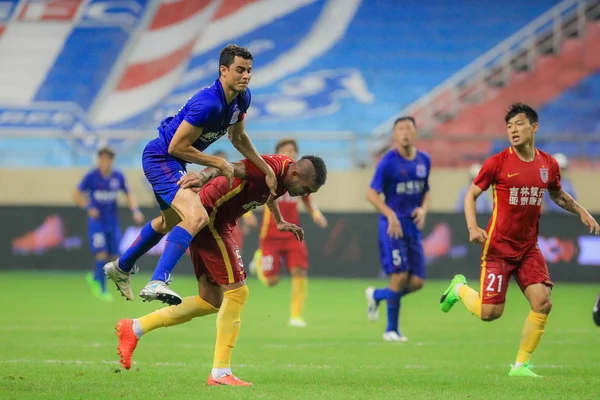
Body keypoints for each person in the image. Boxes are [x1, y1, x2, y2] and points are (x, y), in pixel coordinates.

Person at [113, 154, 327, 386]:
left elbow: (269, 190)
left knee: (211, 300)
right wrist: (204, 175)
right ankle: (220, 372)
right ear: (296, 174)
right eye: (306, 189)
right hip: (211, 219)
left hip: (208, 217)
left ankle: (134, 327)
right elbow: (231, 167)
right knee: (238, 292)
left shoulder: (284, 175)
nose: (305, 195)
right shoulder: (269, 168)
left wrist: (278, 220)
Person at [104, 44, 278, 306]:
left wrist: (265, 169)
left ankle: (121, 267)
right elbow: (176, 147)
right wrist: (217, 163)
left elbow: (238, 137)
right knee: (196, 215)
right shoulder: (207, 103)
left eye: (249, 71)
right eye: (240, 70)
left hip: (177, 162)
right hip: (162, 158)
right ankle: (158, 280)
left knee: (168, 222)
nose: (246, 76)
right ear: (223, 70)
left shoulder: (242, 98)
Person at [439, 103, 600, 377]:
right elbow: (471, 195)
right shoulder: (497, 162)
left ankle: (521, 365)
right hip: (498, 248)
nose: (513, 130)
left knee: (543, 302)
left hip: (528, 248)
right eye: (509, 126)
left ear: (534, 127)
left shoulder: (547, 164)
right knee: (490, 314)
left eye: (519, 124)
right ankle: (459, 290)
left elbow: (557, 194)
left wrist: (582, 211)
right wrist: (472, 226)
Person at [365, 116, 431, 342]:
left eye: (408, 128)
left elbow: (426, 190)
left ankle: (377, 295)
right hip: (392, 227)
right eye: (400, 129)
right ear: (394, 134)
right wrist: (390, 214)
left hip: (412, 227)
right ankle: (391, 330)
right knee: (399, 275)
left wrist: (423, 209)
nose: (404, 132)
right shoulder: (388, 162)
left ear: (415, 132)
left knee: (417, 282)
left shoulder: (424, 160)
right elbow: (371, 194)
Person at [250, 138, 328, 327]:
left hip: (293, 233)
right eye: (286, 150)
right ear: (278, 153)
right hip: (270, 235)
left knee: (300, 271)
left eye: (293, 151)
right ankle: (259, 261)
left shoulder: (299, 178)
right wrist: (246, 215)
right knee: (272, 282)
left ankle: (296, 315)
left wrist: (316, 214)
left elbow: (307, 199)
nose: (290, 154)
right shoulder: (270, 173)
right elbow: (249, 192)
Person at [74, 147, 144, 301]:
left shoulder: (117, 176)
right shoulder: (91, 177)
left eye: (107, 159)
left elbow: (128, 194)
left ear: (111, 161)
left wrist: (135, 210)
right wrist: (88, 207)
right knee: (101, 253)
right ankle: (102, 288)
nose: (104, 162)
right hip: (97, 222)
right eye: (102, 159)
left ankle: (94, 277)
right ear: (98, 160)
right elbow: (76, 194)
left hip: (112, 221)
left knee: (114, 256)